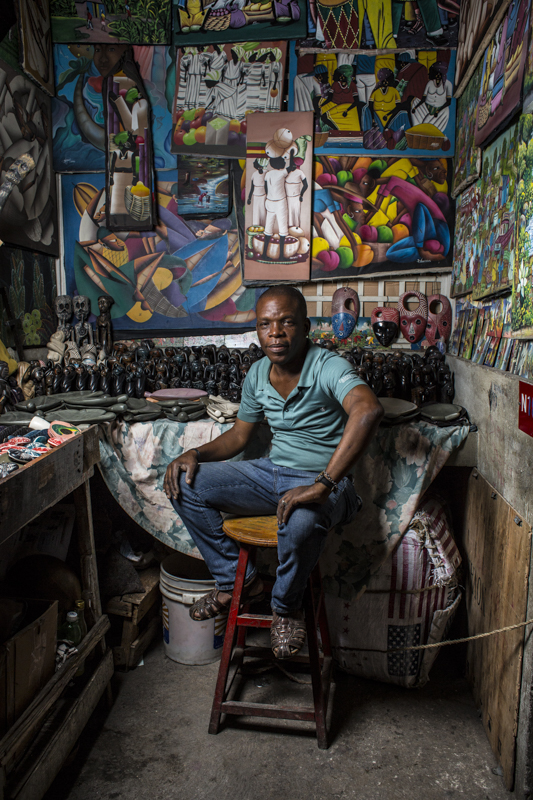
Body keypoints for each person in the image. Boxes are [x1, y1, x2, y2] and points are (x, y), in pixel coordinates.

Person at [164, 287, 383, 659]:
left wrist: (322, 484)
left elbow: (368, 410)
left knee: (300, 523)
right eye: (265, 324)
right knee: (184, 483)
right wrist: (194, 453)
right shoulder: (258, 374)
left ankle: (285, 608)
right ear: (257, 330)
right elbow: (239, 435)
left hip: (330, 482)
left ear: (306, 327)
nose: (275, 333)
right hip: (274, 474)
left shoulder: (327, 365)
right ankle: (237, 583)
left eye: (286, 323)